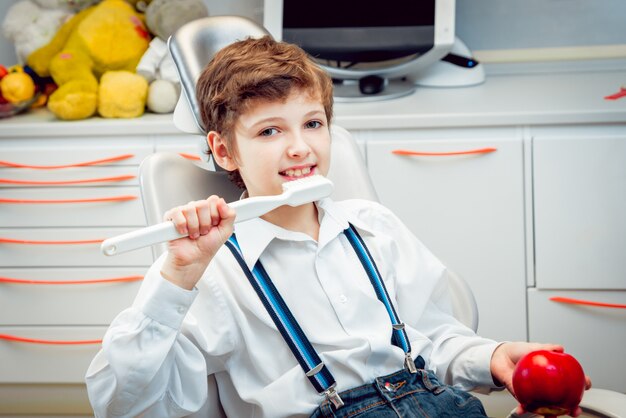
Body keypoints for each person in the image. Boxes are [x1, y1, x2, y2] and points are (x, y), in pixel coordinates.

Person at [85, 36, 590, 417]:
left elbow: (434, 341)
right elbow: (122, 403)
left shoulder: (373, 228)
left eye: (312, 123)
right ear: (224, 150)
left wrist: (497, 356)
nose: (300, 147)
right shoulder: (210, 273)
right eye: (269, 131)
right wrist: (176, 276)